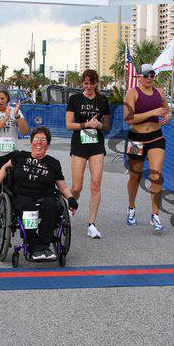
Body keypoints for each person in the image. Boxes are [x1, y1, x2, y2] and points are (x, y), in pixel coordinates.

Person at [0, 126, 78, 260]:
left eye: (43, 140)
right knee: (28, 208)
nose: (39, 142)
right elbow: (4, 167)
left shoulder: (53, 163)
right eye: (37, 138)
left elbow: (62, 186)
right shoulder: (20, 156)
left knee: (52, 207)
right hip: (22, 195)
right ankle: (34, 246)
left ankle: (44, 246)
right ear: (31, 142)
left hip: (45, 196)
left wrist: (71, 199)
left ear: (47, 145)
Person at [123, 64, 171, 231]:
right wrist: (152, 113)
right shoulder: (132, 92)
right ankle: (131, 208)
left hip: (156, 137)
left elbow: (167, 110)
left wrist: (168, 115)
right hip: (136, 139)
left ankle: (155, 215)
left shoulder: (160, 92)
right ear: (139, 77)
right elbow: (128, 119)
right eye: (147, 75)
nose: (150, 78)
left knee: (156, 175)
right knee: (134, 176)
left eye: (152, 75)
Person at [65, 69, 110, 239]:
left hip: (96, 145)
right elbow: (69, 125)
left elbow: (107, 125)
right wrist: (86, 125)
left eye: (92, 83)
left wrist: (99, 126)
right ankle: (69, 204)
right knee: (77, 187)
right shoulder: (75, 99)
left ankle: (92, 224)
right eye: (85, 83)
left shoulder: (103, 100)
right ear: (82, 83)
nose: (89, 86)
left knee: (96, 184)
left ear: (97, 83)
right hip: (79, 144)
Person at [0, 87, 29, 230]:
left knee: (14, 188)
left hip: (12, 156)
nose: (0, 101)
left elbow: (25, 131)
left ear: (7, 99)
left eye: (2, 98)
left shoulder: (16, 111)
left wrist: (16, 116)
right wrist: (5, 117)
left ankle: (12, 218)